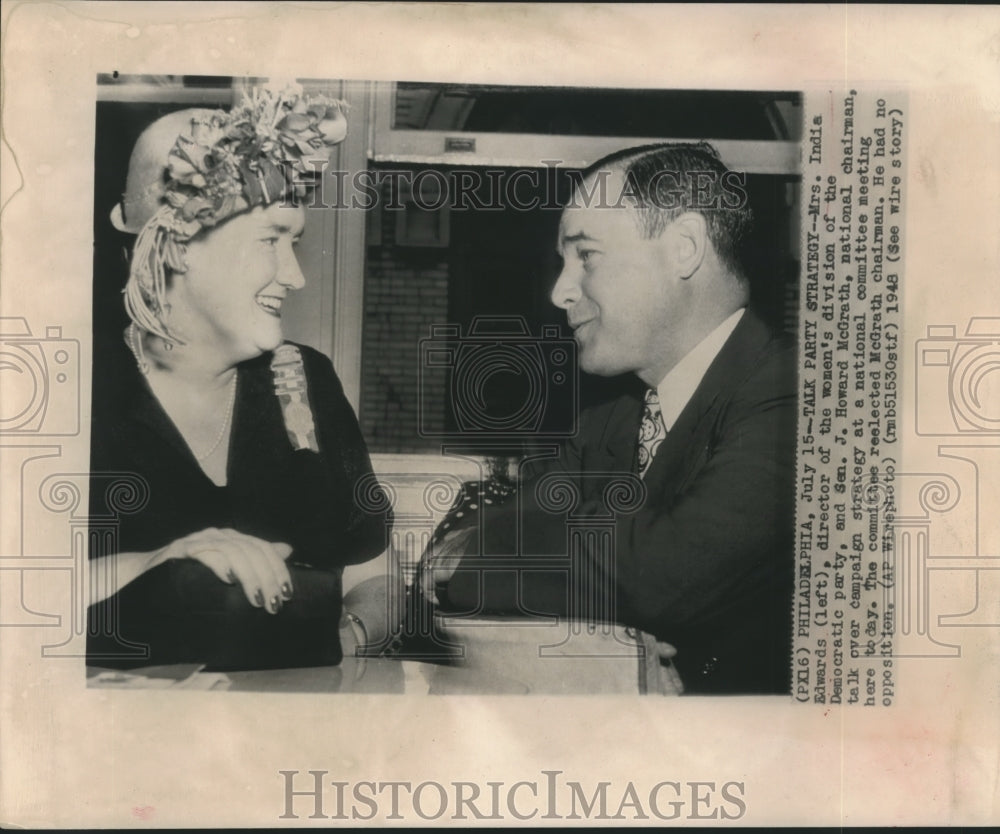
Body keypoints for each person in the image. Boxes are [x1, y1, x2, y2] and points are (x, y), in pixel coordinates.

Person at [422, 143, 795, 695]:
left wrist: (479, 566)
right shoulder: (612, 414)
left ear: (684, 249)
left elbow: (663, 576)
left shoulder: (798, 400)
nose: (560, 291)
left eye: (587, 256)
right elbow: (493, 534)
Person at [87, 84, 391, 672]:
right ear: (176, 247)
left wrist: (346, 637)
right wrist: (158, 562)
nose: (295, 275)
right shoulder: (68, 390)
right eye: (270, 241)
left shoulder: (304, 380)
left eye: (294, 242)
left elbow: (377, 571)